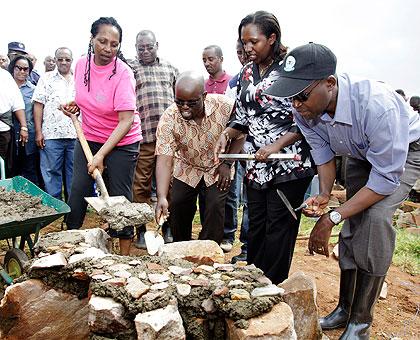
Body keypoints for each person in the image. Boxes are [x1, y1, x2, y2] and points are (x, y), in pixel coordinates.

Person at [265, 42, 420, 339]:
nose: (295, 105)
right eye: (291, 97)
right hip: (360, 151)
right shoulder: (305, 108)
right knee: (352, 222)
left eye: (301, 96)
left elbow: (386, 179)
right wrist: (325, 195)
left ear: (330, 83)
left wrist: (331, 218)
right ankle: (345, 309)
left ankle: (361, 322)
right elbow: (322, 153)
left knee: (374, 219)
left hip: (404, 150)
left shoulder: (378, 106)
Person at [214, 11, 314, 284]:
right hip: (257, 163)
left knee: (278, 226)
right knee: (256, 223)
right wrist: (228, 132)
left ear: (272, 38)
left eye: (253, 42)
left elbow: (305, 117)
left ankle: (273, 286)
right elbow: (242, 116)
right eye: (244, 42)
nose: (247, 48)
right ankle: (254, 280)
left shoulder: (292, 70)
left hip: (288, 161)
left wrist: (275, 146)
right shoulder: (247, 72)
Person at [63, 17, 141, 256]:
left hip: (123, 141)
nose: (108, 49)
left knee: (119, 196)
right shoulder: (80, 65)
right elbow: (90, 98)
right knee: (78, 189)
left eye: (114, 44)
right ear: (92, 39)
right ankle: (71, 241)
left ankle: (124, 255)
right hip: (89, 136)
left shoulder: (123, 73)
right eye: (102, 41)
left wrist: (101, 155)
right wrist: (75, 106)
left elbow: (126, 120)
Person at [155, 71, 235, 244]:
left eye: (191, 103)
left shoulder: (225, 106)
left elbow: (240, 134)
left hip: (218, 166)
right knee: (178, 204)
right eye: (179, 102)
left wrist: (227, 163)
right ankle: (181, 248)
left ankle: (209, 253)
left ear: (204, 96)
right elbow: (164, 158)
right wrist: (161, 196)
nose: (184, 107)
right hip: (187, 166)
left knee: (214, 207)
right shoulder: (169, 118)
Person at [128, 30, 178, 248]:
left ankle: (166, 228)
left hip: (169, 138)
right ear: (136, 48)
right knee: (140, 186)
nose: (145, 51)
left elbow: (180, 101)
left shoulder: (170, 69)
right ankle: (140, 231)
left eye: (149, 47)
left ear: (157, 45)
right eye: (141, 48)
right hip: (143, 137)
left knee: (169, 186)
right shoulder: (131, 69)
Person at [220, 39, 249, 263]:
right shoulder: (235, 83)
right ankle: (229, 235)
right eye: (239, 52)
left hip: (261, 152)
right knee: (231, 192)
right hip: (237, 148)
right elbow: (234, 120)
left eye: (247, 50)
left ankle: (249, 247)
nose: (244, 55)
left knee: (251, 201)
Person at [32, 47, 76, 200]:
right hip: (51, 135)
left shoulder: (80, 79)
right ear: (55, 60)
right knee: (51, 173)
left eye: (67, 59)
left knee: (74, 174)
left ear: (72, 60)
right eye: (60, 59)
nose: (64, 62)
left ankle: (72, 209)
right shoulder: (46, 78)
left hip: (75, 135)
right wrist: (38, 132)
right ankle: (55, 208)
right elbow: (38, 104)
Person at [8, 56, 40, 185]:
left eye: (25, 69)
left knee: (30, 168)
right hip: (9, 134)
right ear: (13, 68)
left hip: (28, 135)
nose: (22, 71)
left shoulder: (34, 90)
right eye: (19, 68)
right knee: (10, 168)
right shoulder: (6, 87)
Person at [0, 68, 28, 175]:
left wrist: (24, 127)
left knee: (3, 165)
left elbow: (18, 103)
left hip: (3, 130)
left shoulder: (5, 76)